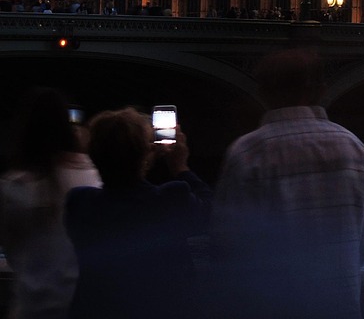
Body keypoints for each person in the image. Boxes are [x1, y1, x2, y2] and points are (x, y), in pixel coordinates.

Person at [211, 48, 364, 319]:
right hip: (340, 304)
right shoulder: (354, 148)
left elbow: (229, 242)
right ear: (322, 90)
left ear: (262, 92)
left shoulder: (247, 153)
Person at [63, 108, 211, 319]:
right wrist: (181, 166)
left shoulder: (79, 203)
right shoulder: (170, 198)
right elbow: (211, 212)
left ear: (93, 154)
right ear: (145, 152)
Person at [0, 88, 101, 319]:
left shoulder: (13, 186)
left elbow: (10, 245)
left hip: (31, 306)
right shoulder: (91, 177)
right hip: (80, 305)